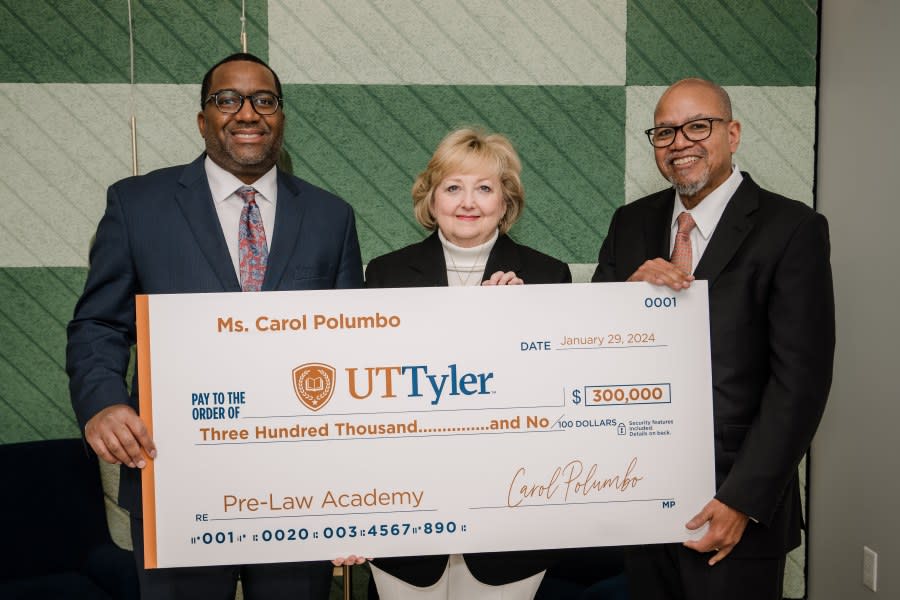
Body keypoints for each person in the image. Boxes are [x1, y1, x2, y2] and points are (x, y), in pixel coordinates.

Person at [66, 52, 363, 600]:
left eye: (264, 100)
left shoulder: (330, 216)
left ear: (281, 117)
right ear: (203, 119)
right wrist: (103, 402)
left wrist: (354, 488)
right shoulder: (137, 205)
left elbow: (352, 349)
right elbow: (98, 325)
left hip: (298, 490)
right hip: (175, 479)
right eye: (227, 99)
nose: (247, 112)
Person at [591, 78, 835, 600]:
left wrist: (742, 501)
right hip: (642, 497)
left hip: (735, 512)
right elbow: (594, 347)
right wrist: (625, 297)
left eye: (697, 126)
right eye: (664, 132)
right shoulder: (630, 222)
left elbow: (801, 381)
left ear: (733, 133)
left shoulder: (792, 228)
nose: (680, 143)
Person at [364, 127, 571, 598]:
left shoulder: (546, 276)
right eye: (453, 187)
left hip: (509, 519)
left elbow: (557, 401)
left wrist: (517, 329)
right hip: (406, 516)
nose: (468, 201)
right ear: (431, 198)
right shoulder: (385, 274)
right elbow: (376, 393)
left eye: (484, 187)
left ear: (506, 201)